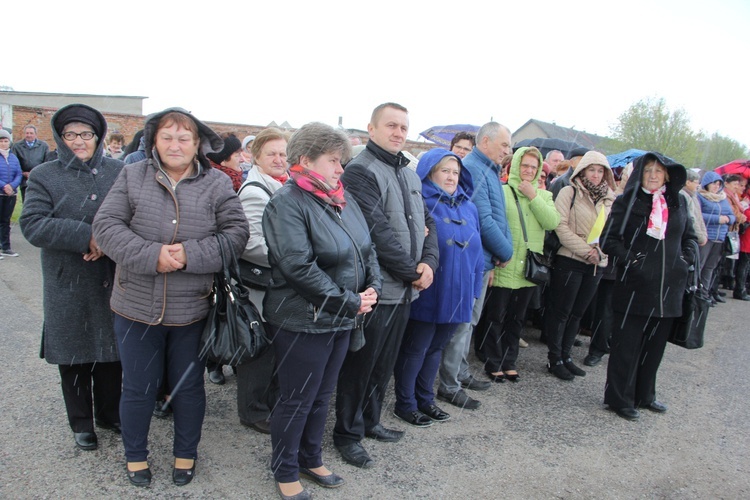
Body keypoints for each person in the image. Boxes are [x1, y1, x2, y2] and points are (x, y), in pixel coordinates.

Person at [92, 108, 249, 487]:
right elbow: (106, 225)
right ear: (153, 141)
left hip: (192, 307)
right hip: (134, 306)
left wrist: (189, 256)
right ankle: (135, 456)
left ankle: (185, 453)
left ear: (197, 144)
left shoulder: (216, 185)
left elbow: (236, 234)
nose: (175, 144)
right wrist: (153, 256)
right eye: (167, 137)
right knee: (138, 387)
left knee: (188, 388)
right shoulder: (131, 175)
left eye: (184, 138)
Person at [262, 122, 381, 500]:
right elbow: (298, 267)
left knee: (322, 392)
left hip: (342, 315)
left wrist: (372, 285)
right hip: (302, 318)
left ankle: (310, 456)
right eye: (333, 160)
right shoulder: (287, 203)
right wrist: (349, 300)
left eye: (341, 161)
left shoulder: (341, 198)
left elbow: (368, 248)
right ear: (305, 160)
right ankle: (284, 469)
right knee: (296, 397)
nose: (340, 168)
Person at [334, 102, 439, 469]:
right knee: (361, 365)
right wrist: (413, 271)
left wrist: (429, 263)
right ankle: (347, 435)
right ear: (371, 129)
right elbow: (376, 233)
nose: (398, 133)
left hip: (407, 288)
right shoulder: (361, 171)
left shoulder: (409, 172)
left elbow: (429, 223)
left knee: (384, 364)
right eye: (391, 125)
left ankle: (370, 421)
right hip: (378, 288)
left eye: (403, 127)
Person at [19, 104, 124, 451]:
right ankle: (82, 422)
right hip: (69, 279)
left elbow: (134, 217)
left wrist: (106, 241)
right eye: (71, 135)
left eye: (86, 134)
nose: (79, 141)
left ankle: (109, 414)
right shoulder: (46, 175)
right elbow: (33, 224)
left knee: (111, 355)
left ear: (98, 136)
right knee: (75, 356)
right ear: (61, 138)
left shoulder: (118, 171)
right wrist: (86, 236)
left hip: (111, 275)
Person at [601, 152, 696, 420]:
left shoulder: (678, 202)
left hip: (668, 289)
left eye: (658, 171)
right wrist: (633, 261)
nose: (653, 175)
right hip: (635, 287)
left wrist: (684, 258)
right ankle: (619, 398)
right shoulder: (627, 202)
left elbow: (689, 236)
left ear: (667, 174)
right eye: (648, 171)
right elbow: (609, 240)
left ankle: (645, 395)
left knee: (653, 350)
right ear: (640, 174)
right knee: (626, 348)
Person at [393, 149, 483, 427]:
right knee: (416, 348)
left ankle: (425, 399)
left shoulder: (469, 206)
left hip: (460, 293)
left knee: (436, 348)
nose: (451, 176)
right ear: (431, 172)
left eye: (455, 172)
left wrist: (475, 289)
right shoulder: (420, 203)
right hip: (429, 290)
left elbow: (478, 252)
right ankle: (405, 404)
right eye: (445, 170)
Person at [439, 122, 514, 411]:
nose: (508, 151)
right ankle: (450, 384)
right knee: (462, 322)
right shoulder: (475, 168)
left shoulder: (488, 169)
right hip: (472, 259)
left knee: (469, 321)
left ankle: (459, 373)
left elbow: (498, 215)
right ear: (486, 141)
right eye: (504, 145)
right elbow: (482, 218)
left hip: (482, 259)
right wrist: (505, 250)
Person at [479, 146, 559, 382]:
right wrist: (491, 264)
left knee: (516, 319)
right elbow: (490, 226)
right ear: (515, 166)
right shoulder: (501, 192)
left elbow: (552, 221)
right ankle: (492, 361)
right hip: (504, 264)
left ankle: (509, 360)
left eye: (534, 167)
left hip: (527, 269)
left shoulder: (544, 196)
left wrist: (533, 196)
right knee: (495, 317)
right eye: (525, 165)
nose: (528, 170)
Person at [236, 127, 289, 434]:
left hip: (276, 283)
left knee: (270, 347)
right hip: (261, 285)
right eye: (271, 154)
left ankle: (265, 404)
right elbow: (251, 243)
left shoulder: (280, 184)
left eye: (283, 153)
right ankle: (252, 411)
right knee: (258, 350)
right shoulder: (256, 191)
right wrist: (293, 260)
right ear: (256, 156)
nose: (279, 159)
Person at [544, 152, 615, 380]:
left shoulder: (609, 198)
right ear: (582, 170)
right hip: (570, 259)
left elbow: (612, 232)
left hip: (596, 264)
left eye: (600, 170)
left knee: (577, 314)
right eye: (592, 169)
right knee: (561, 312)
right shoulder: (569, 192)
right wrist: (586, 251)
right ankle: (554, 359)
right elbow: (560, 227)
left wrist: (600, 253)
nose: (596, 175)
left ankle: (566, 356)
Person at [697, 171, 735, 304]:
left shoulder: (723, 198)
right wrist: (718, 219)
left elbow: (732, 215)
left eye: (718, 184)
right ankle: (694, 292)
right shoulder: (700, 197)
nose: (716, 186)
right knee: (700, 265)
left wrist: (728, 219)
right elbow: (698, 215)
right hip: (706, 236)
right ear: (707, 184)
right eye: (714, 183)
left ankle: (704, 294)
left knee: (710, 267)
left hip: (720, 237)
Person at [12, 124, 49, 202]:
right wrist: (23, 173)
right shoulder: (17, 146)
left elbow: (47, 162)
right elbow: (14, 162)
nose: (29, 135)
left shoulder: (43, 146)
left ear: (35, 134)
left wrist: (36, 173)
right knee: (26, 202)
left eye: (31, 133)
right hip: (24, 180)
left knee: (38, 202)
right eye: (27, 133)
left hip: (39, 179)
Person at [0, 130, 23, 258]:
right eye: (1, 141)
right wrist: (4, 185)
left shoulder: (13, 157)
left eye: (6, 141)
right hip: (1, 192)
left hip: (10, 195)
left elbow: (18, 174)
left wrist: (12, 186)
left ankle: (6, 247)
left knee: (5, 221)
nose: (3, 144)